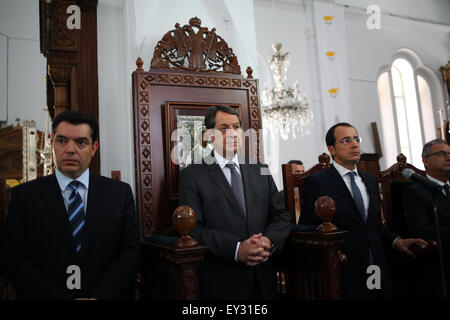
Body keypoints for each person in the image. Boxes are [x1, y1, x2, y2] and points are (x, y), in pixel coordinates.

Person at [2, 110, 140, 299]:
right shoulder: (24, 196)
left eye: (81, 142)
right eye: (62, 141)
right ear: (52, 145)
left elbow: (130, 254)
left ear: (94, 148)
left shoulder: (120, 194)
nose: (70, 149)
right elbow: (14, 259)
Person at [298, 122, 428, 299]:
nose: (354, 144)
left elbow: (372, 226)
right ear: (332, 149)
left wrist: (397, 241)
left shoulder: (370, 180)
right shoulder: (318, 182)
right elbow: (307, 227)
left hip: (376, 263)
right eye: (346, 140)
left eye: (356, 139)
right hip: (343, 267)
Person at [178, 105, 291, 300]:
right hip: (223, 278)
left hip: (264, 277)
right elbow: (193, 230)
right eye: (224, 127)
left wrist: (267, 241)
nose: (232, 133)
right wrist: (237, 249)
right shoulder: (192, 175)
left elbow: (281, 215)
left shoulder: (260, 169)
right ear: (210, 135)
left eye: (236, 126)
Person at [402, 138, 450, 298]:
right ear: (425, 160)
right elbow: (421, 229)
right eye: (442, 154)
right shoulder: (416, 192)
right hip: (440, 258)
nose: (448, 157)